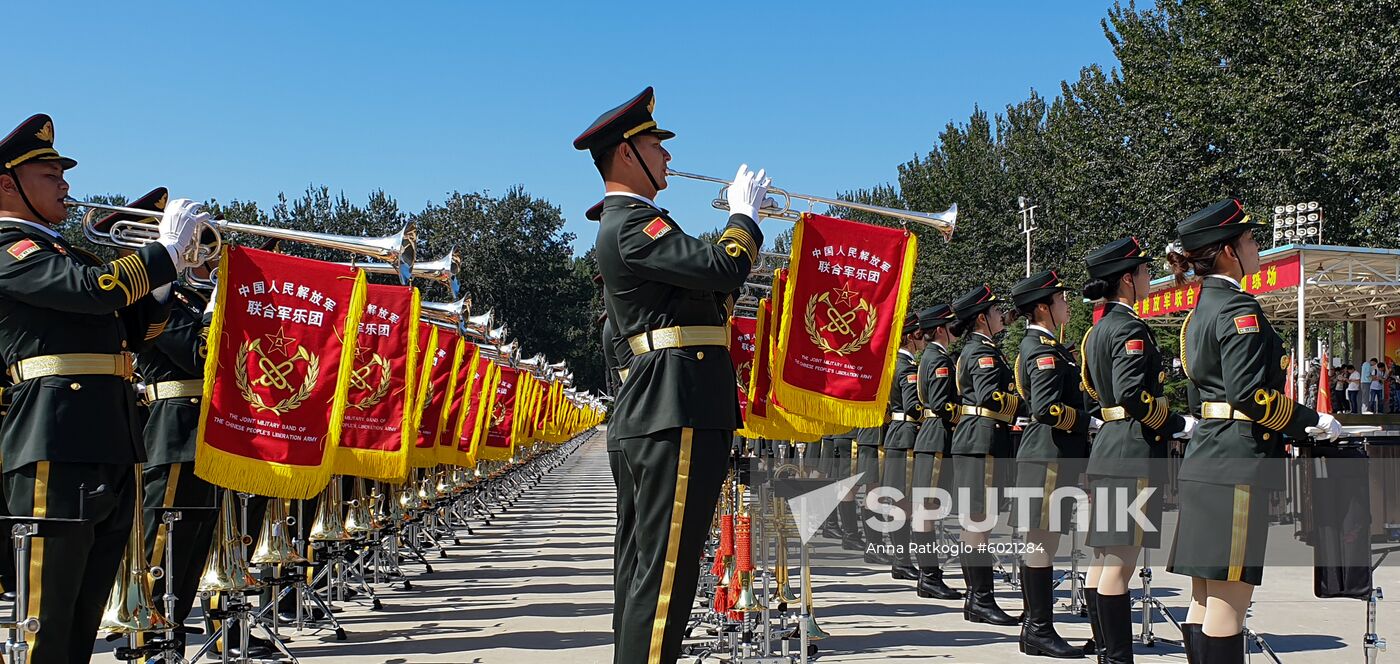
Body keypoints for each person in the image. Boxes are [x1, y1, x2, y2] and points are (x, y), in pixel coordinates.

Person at [0, 114, 202, 663]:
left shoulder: (65, 253)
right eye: (50, 173)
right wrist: (160, 252)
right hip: (54, 440)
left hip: (108, 442)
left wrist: (166, 279)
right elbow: (94, 292)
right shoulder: (8, 249)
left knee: (85, 612)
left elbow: (134, 331)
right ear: (5, 185)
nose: (65, 183)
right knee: (47, 613)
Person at [576, 87, 766, 664]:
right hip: (674, 408)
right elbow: (721, 264)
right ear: (627, 153)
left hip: (665, 407)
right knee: (665, 579)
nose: (667, 157)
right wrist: (744, 216)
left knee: (646, 572)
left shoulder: (635, 227)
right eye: (657, 144)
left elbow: (710, 290)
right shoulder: (634, 225)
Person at [1164, 199, 1341, 663]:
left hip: (1209, 459)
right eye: (1250, 240)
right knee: (1230, 602)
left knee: (1204, 597)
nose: (1258, 247)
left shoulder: (1202, 307)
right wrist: (1312, 420)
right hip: (1236, 466)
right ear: (1227, 251)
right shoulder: (1238, 306)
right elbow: (1249, 395)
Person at [1079, 236, 1192, 664]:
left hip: (1110, 447)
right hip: (1130, 452)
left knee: (1106, 557)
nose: (1150, 277)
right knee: (1120, 564)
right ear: (1127, 279)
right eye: (1145, 272)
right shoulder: (1128, 328)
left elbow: (1097, 390)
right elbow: (1132, 395)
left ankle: (1106, 647)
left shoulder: (1098, 329)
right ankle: (1117, 657)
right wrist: (1177, 422)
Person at [1009, 270, 1087, 658]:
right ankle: (1038, 628)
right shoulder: (1039, 350)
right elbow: (1046, 407)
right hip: (1048, 455)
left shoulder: (1049, 347)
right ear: (1043, 307)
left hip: (1052, 455)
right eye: (1060, 299)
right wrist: (1087, 419)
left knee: (1045, 541)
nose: (1066, 304)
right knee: (1041, 542)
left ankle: (1035, 626)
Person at [948, 284, 1020, 626]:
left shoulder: (984, 348)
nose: (999, 316)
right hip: (981, 441)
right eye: (994, 311)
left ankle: (978, 598)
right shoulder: (982, 352)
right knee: (978, 522)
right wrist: (1026, 405)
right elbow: (992, 397)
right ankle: (980, 599)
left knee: (977, 522)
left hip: (981, 440)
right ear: (981, 318)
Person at [910, 304, 961, 600]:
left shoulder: (932, 356)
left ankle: (929, 574)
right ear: (941, 329)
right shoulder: (937, 358)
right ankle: (929, 576)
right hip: (936, 439)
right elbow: (942, 405)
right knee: (926, 511)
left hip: (932, 438)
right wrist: (967, 414)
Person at [882, 312, 925, 581]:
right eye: (919, 334)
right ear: (911, 337)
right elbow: (914, 407)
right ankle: (902, 559)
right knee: (905, 502)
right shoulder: (906, 367)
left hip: (897, 433)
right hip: (906, 434)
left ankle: (902, 559)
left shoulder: (893, 363)